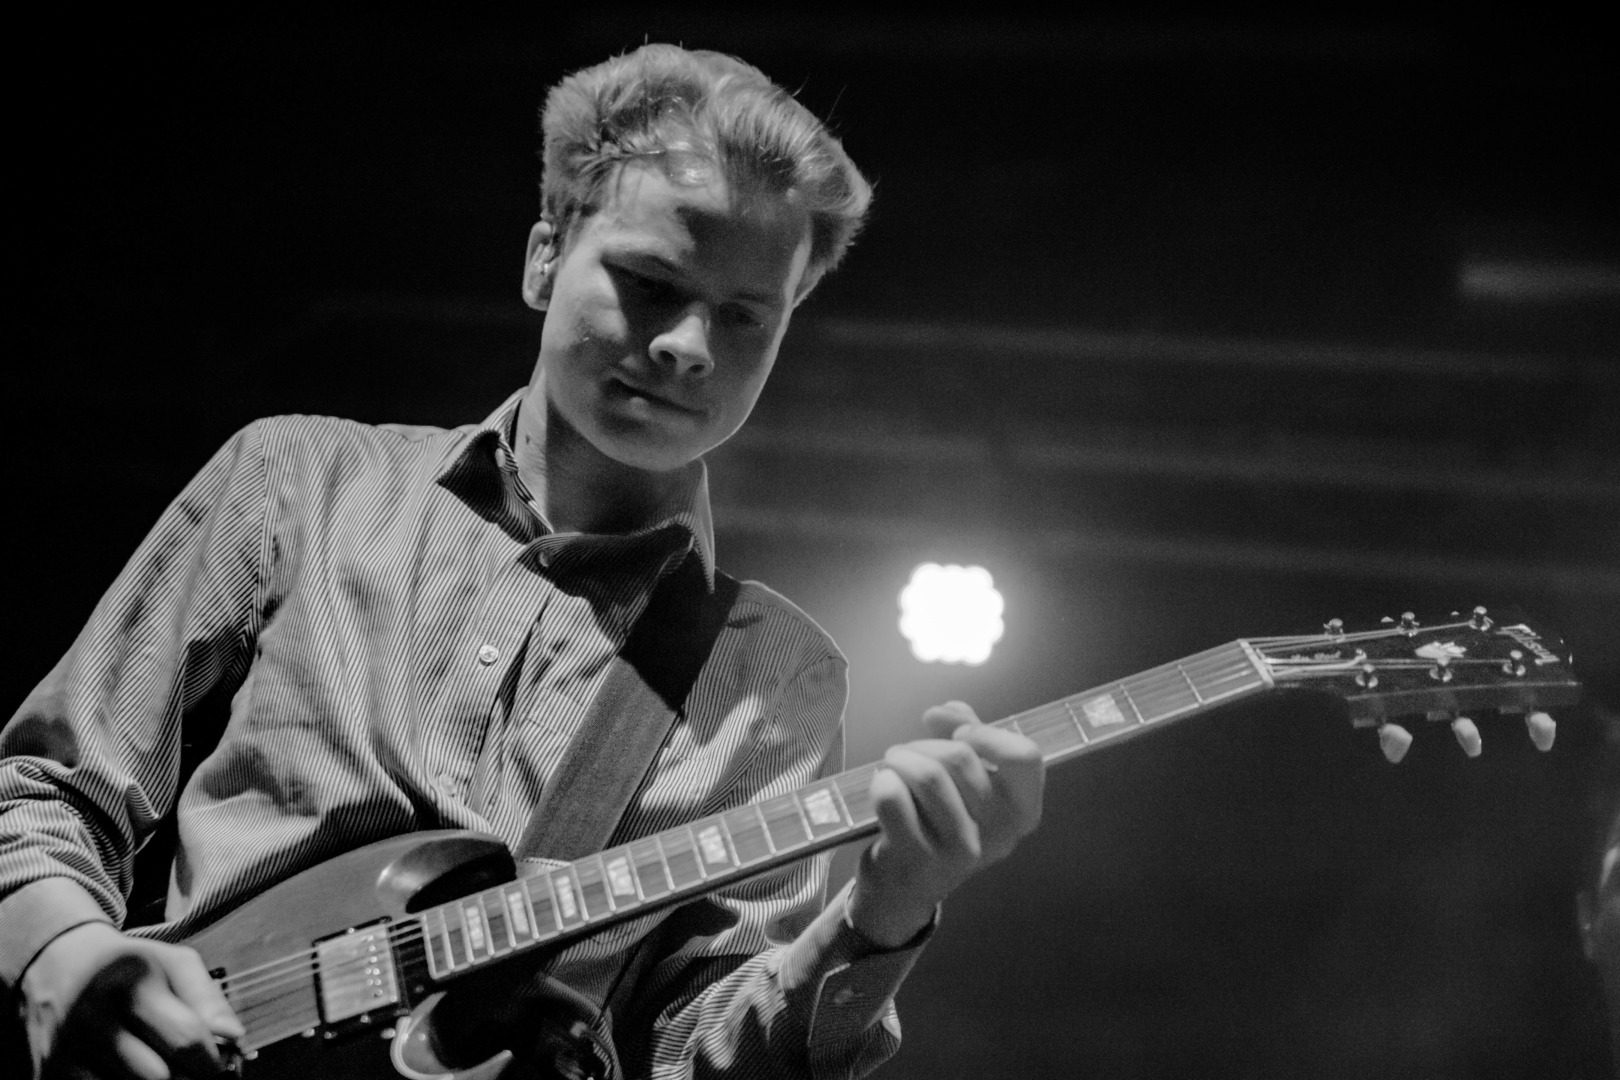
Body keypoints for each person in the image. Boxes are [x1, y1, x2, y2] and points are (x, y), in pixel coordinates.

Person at [0, 44, 1045, 1080]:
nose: (688, 345)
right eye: (647, 283)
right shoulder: (301, 478)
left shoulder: (779, 678)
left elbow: (691, 1054)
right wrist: (63, 949)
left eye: (741, 315)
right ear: (545, 257)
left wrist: (885, 914)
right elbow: (44, 786)